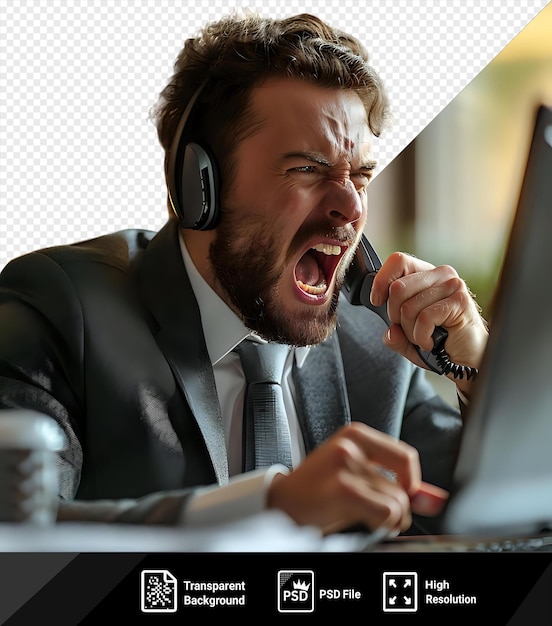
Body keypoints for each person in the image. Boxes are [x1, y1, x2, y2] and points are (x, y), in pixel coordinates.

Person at [0, 12, 488, 539]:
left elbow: (498, 505)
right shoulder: (60, 308)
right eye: (307, 169)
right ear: (201, 188)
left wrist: (479, 370)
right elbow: (19, 529)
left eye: (362, 176)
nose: (351, 208)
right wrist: (268, 508)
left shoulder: (372, 335)